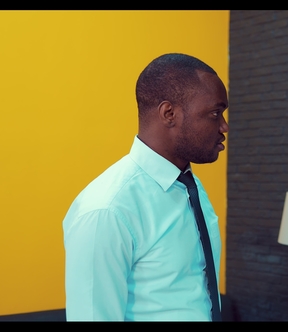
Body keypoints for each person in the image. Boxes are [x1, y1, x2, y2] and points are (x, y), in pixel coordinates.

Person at [62, 53, 229, 321]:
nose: (224, 126)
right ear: (169, 114)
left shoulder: (190, 187)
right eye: (214, 113)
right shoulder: (107, 210)